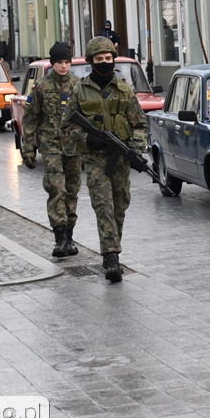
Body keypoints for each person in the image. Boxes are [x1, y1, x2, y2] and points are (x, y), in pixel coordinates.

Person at [67, 36, 147, 283]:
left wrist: (134, 150)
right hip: (94, 160)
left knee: (120, 206)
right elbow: (67, 128)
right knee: (104, 207)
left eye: (108, 58)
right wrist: (88, 140)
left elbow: (140, 124)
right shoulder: (79, 91)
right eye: (99, 59)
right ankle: (111, 257)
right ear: (91, 61)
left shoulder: (124, 89)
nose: (104, 63)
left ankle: (112, 249)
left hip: (120, 158)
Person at [21, 41, 81, 259]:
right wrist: (28, 148)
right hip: (51, 146)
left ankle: (70, 236)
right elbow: (30, 119)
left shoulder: (78, 85)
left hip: (73, 147)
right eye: (59, 62)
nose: (63, 66)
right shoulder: (42, 87)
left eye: (66, 62)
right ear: (52, 63)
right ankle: (59, 238)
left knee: (72, 191)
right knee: (57, 189)